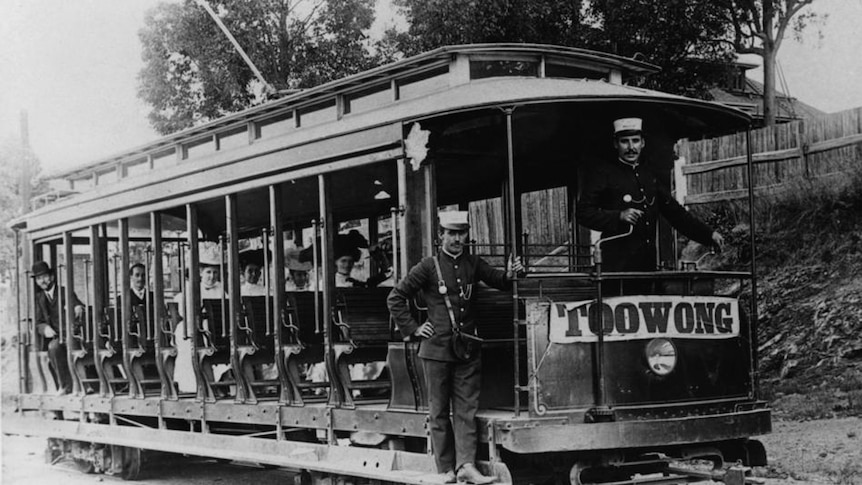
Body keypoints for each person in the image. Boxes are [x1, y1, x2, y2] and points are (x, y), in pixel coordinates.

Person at [387, 211, 524, 485]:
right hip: (436, 351)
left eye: (461, 233)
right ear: (441, 236)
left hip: (467, 350)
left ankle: (466, 466)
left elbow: (500, 281)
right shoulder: (428, 266)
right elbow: (396, 297)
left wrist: (511, 273)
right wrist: (414, 329)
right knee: (438, 412)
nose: (457, 239)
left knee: (466, 411)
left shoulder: (473, 263)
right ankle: (445, 469)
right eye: (451, 233)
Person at [576, 117, 725, 272]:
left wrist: (709, 234)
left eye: (635, 141)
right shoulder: (604, 174)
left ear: (643, 143)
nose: (631, 147)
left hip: (647, 266)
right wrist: (618, 216)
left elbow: (676, 213)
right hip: (615, 268)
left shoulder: (649, 176)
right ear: (616, 144)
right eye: (624, 141)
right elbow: (583, 213)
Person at [32, 261, 85, 394]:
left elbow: (78, 305)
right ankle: (65, 386)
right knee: (53, 347)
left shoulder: (64, 292)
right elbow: (38, 322)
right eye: (38, 279)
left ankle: (79, 386)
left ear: (52, 277)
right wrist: (44, 328)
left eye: (44, 277)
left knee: (61, 347)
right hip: (55, 337)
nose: (42, 281)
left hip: (72, 335)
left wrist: (78, 307)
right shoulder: (38, 298)